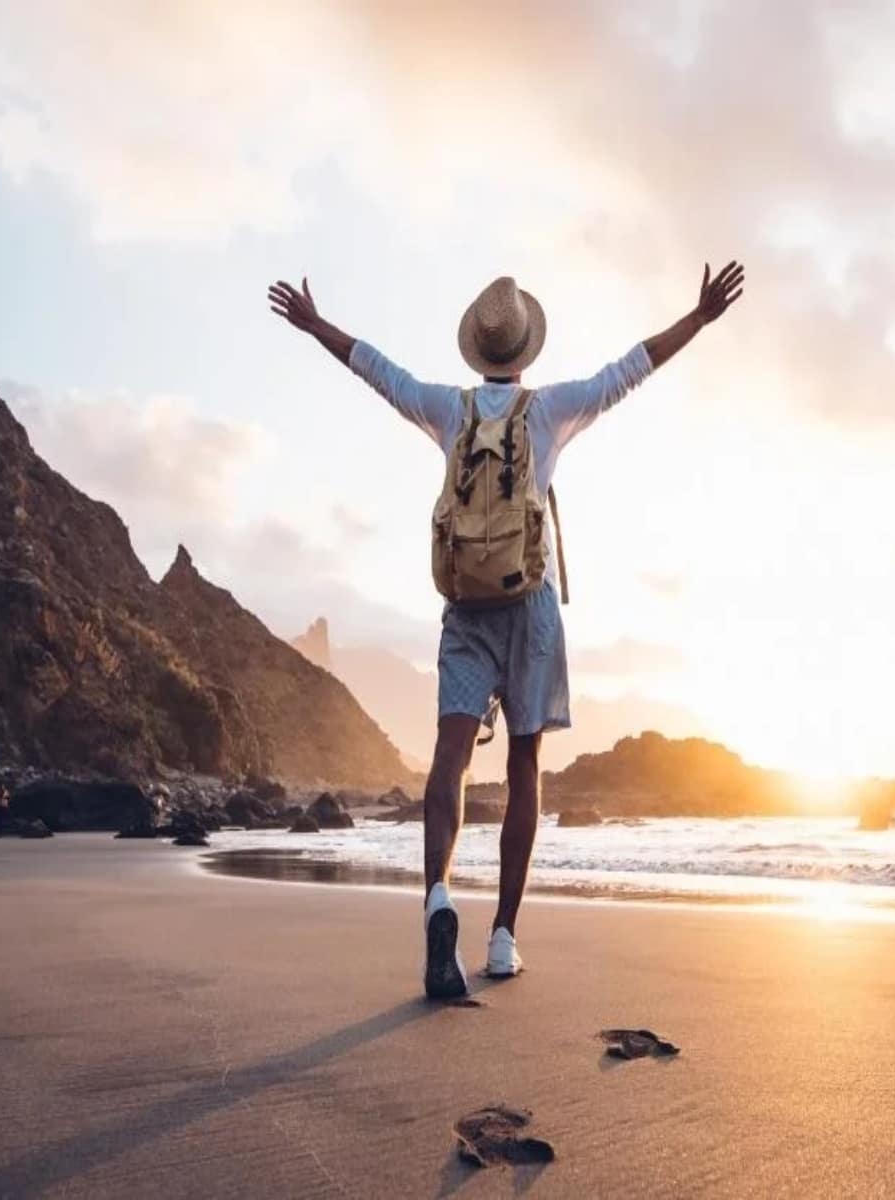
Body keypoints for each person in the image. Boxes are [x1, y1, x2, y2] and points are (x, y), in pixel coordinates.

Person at [267, 261, 745, 998]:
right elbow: (630, 370)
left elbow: (377, 370)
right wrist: (700, 317)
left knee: (450, 758)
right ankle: (501, 940)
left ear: (478, 352)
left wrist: (313, 325)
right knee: (524, 765)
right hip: (530, 609)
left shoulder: (447, 410)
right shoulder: (550, 410)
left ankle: (437, 898)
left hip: (466, 608)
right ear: (523, 353)